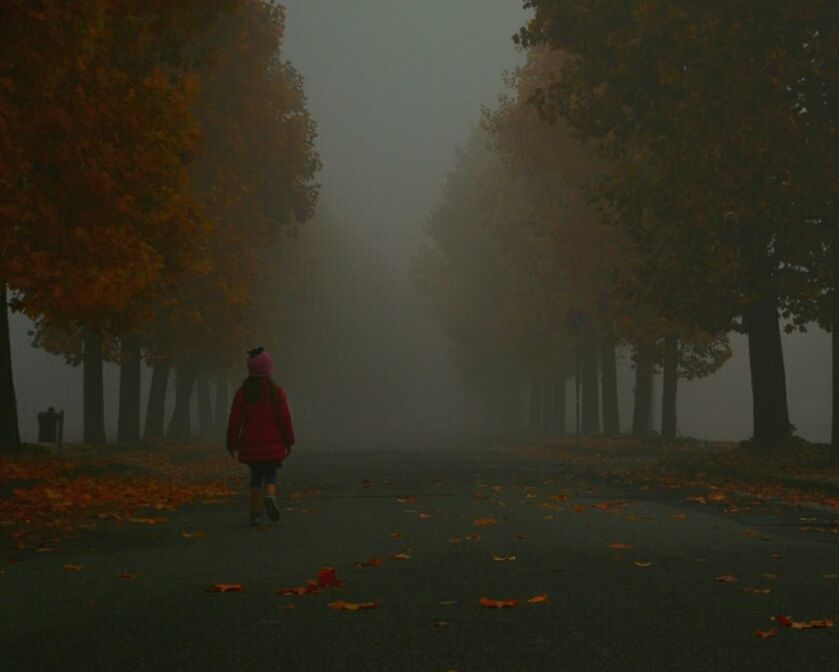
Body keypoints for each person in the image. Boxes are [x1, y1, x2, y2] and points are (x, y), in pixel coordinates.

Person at [226, 347, 296, 525]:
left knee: (256, 477)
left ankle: (255, 513)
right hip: (272, 442)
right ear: (268, 368)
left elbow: (234, 420)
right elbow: (284, 418)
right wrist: (288, 441)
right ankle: (270, 496)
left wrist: (232, 443)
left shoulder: (243, 393)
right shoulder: (275, 392)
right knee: (270, 474)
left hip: (251, 444)